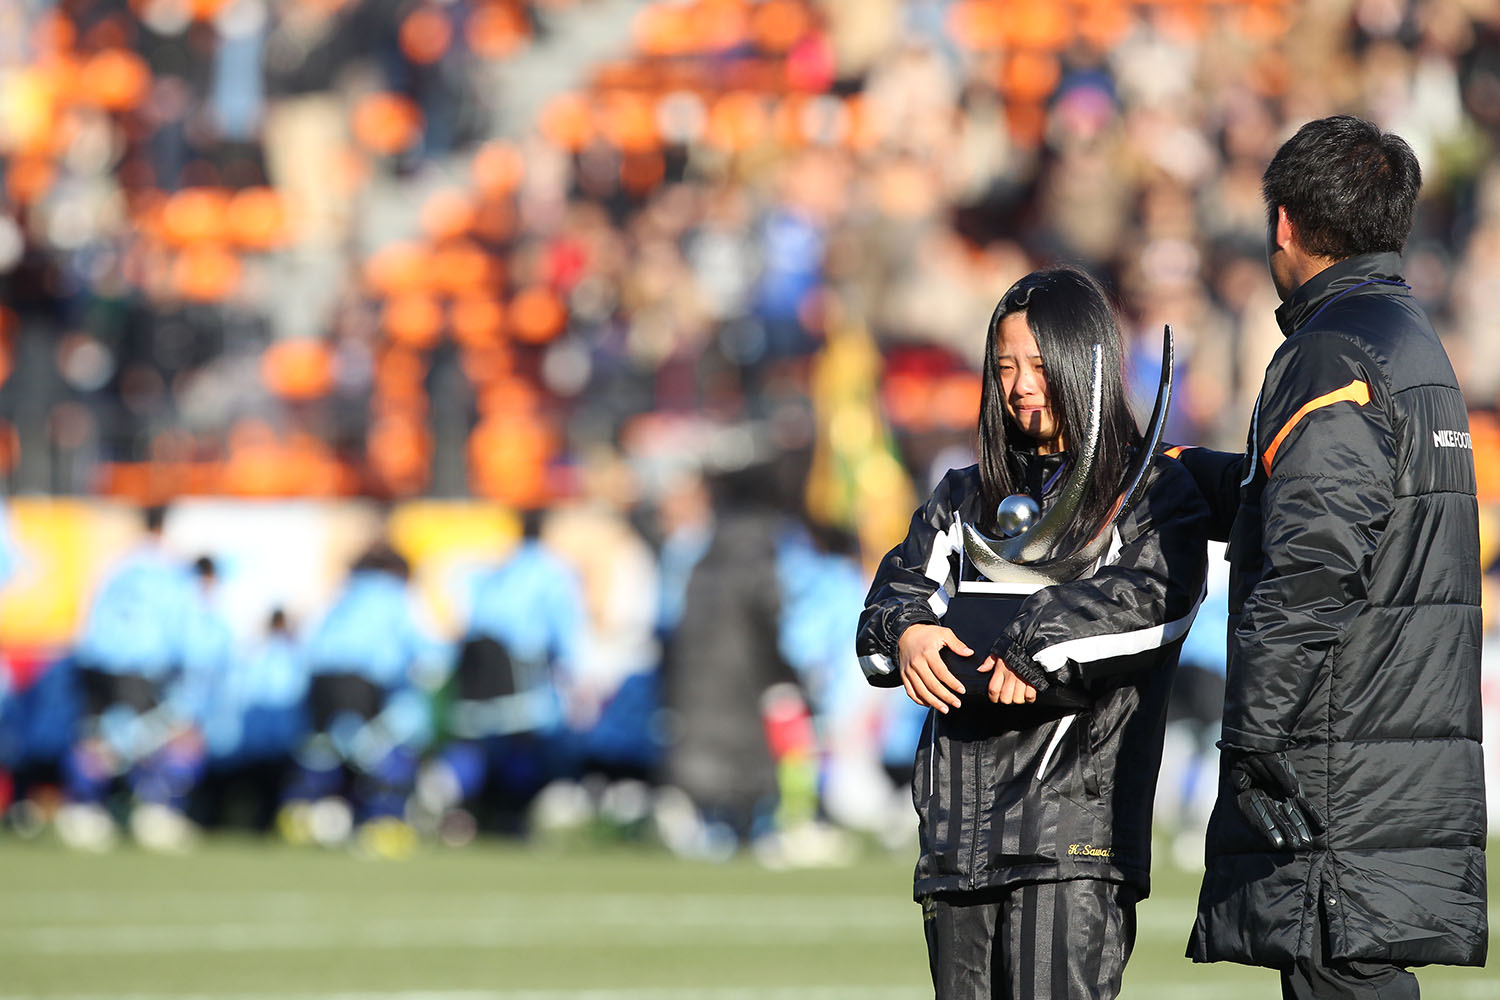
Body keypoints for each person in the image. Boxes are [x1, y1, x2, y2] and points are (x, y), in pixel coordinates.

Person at [1180, 116, 1487, 996]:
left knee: (1341, 976)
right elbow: (1346, 507)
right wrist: (1206, 482)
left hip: (1336, 759)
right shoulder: (1409, 340)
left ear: (1283, 224)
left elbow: (1313, 565)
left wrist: (1251, 741)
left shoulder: (1329, 351)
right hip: (1391, 742)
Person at [857, 266, 1210, 1000]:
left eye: (1042, 367)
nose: (1020, 385)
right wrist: (909, 635)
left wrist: (1032, 642)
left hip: (1070, 840)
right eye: (1006, 366)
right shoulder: (962, 495)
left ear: (1089, 364)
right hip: (955, 836)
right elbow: (891, 599)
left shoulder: (1149, 491)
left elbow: (1157, 600)